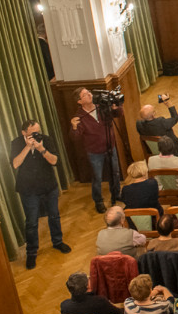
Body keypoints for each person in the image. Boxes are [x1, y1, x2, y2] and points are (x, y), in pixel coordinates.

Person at [10, 119, 70, 269]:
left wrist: (41, 149)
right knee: (31, 222)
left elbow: (55, 161)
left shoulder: (46, 140)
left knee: (54, 216)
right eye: (32, 133)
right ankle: (31, 253)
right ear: (24, 133)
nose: (36, 135)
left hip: (49, 186)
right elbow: (15, 164)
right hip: (28, 190)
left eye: (38, 131)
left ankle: (58, 242)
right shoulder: (16, 143)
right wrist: (27, 147)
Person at [71, 87, 124, 214]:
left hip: (110, 147)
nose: (89, 95)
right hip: (94, 152)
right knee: (97, 178)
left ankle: (116, 195)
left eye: (89, 92)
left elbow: (118, 114)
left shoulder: (102, 106)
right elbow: (75, 137)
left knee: (115, 173)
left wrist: (117, 107)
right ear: (79, 101)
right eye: (85, 95)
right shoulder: (79, 117)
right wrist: (73, 127)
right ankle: (98, 201)